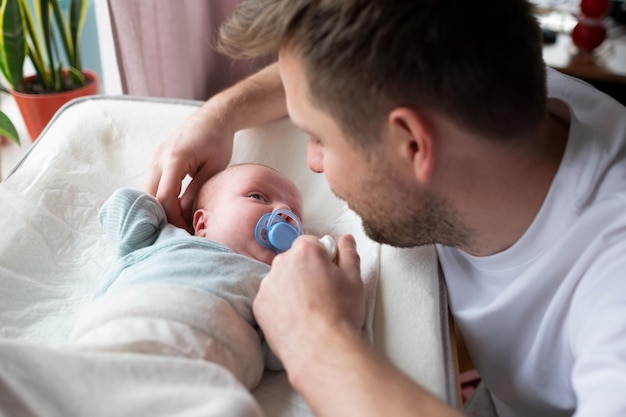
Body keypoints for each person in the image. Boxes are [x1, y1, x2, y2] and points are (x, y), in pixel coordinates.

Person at [146, 1, 626, 417]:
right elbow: (327, 72)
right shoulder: (488, 88)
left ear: (413, 145)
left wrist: (315, 336)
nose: (312, 164)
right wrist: (218, 115)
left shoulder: (611, 288)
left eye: (319, 138)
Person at [70, 163, 305, 416]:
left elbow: (281, 352)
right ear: (202, 223)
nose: (283, 213)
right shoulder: (167, 238)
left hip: (201, 374)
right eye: (257, 196)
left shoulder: (274, 282)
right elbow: (122, 206)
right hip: (115, 333)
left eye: (295, 215)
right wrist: (163, 207)